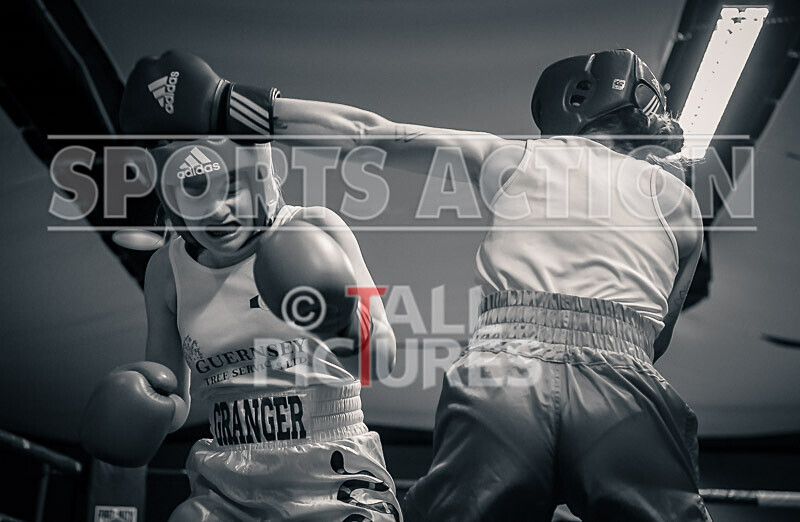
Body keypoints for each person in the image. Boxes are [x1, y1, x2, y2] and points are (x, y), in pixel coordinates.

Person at [116, 49, 710, 521]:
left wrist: (230, 104)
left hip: (504, 375)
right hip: (624, 374)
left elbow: (369, 133)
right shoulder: (682, 204)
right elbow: (658, 336)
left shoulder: (518, 156)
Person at [81, 137, 402, 521]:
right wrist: (141, 407)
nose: (217, 211)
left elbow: (379, 363)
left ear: (262, 181)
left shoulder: (312, 227)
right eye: (195, 195)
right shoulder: (166, 269)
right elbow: (175, 398)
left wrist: (341, 323)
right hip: (226, 473)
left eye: (231, 190)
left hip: (330, 460)